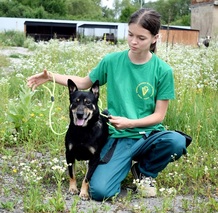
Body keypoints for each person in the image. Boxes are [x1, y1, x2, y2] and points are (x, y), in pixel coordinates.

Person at [27, 8, 188, 201]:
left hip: (147, 134)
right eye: (130, 35)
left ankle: (144, 172)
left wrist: (130, 122)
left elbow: (158, 116)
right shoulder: (112, 61)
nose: (133, 42)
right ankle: (123, 162)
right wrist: (50, 76)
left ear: (155, 38)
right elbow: (83, 83)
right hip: (119, 137)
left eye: (141, 38)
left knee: (176, 141)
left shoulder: (163, 70)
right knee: (101, 191)